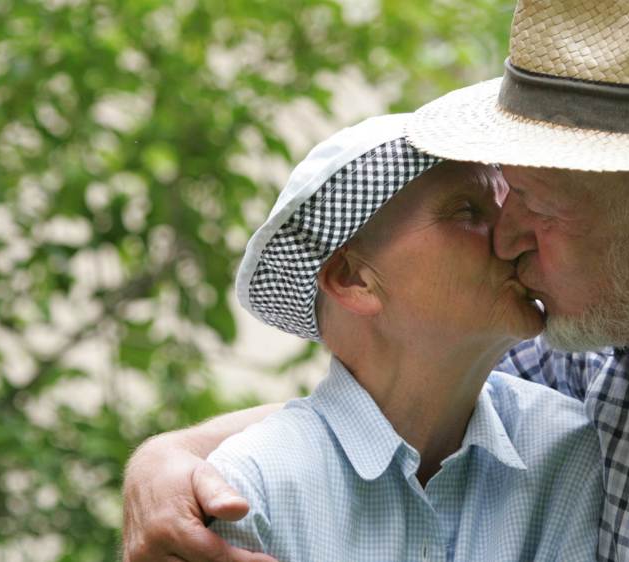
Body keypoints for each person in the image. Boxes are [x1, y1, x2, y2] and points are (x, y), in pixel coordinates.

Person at [123, 1, 629, 560]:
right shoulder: (574, 334)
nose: (505, 237)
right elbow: (389, 401)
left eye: (535, 206)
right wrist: (166, 457)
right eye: (496, 197)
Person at [136, 113, 603, 561]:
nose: (514, 237)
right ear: (354, 279)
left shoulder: (570, 450)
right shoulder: (250, 490)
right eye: (467, 211)